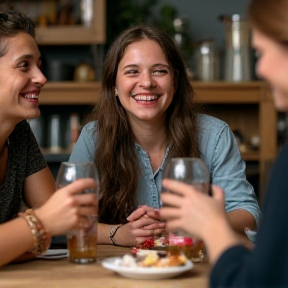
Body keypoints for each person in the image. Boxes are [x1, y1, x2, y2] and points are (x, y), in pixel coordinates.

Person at [69, 25, 261, 247]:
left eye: (159, 71)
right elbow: (68, 219)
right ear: (114, 85)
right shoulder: (94, 136)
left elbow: (249, 215)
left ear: (176, 81)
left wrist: (196, 223)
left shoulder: (215, 135)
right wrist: (118, 233)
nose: (147, 82)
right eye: (132, 71)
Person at [160, 0, 288, 286]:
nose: (260, 70)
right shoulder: (95, 135)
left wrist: (211, 225)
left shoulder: (216, 133)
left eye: (261, 53)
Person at [0, 6, 97, 267]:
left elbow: (61, 219)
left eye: (39, 66)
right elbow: (48, 221)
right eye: (24, 66)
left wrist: (24, 237)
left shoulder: (18, 133)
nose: (41, 77)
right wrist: (37, 226)